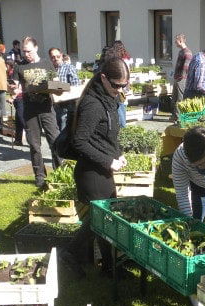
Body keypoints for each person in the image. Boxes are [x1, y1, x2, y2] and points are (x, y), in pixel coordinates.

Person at [59, 56, 130, 278]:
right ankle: (69, 254)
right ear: (103, 78)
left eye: (124, 85)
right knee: (100, 220)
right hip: (92, 174)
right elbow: (79, 142)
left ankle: (109, 267)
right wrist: (109, 160)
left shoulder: (108, 99)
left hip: (101, 170)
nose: (119, 89)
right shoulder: (93, 104)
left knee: (103, 221)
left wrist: (117, 154)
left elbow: (105, 136)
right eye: (116, 84)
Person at [13, 36, 62, 188]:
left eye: (28, 51)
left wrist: (54, 89)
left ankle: (60, 173)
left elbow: (57, 85)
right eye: (23, 51)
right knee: (34, 145)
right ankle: (40, 177)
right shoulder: (19, 66)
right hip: (29, 110)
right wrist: (13, 89)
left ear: (36, 48)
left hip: (47, 108)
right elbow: (15, 86)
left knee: (55, 140)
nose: (25, 54)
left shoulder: (47, 64)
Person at [48, 47, 80, 131]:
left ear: (61, 56)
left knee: (63, 130)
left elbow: (76, 85)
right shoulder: (49, 70)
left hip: (66, 104)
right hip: (53, 104)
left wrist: (58, 86)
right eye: (53, 57)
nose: (55, 59)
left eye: (57, 56)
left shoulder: (69, 67)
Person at [171, 33, 192, 122]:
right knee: (174, 98)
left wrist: (180, 78)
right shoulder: (181, 52)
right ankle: (175, 116)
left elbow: (186, 68)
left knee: (180, 99)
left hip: (182, 79)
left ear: (180, 41)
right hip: (177, 78)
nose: (175, 42)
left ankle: (179, 117)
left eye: (176, 40)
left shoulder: (187, 53)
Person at [112, 40, 131, 128]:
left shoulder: (119, 60)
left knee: (120, 105)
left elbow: (126, 74)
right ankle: (122, 125)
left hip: (118, 85)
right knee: (122, 104)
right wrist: (127, 86)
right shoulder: (125, 60)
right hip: (123, 85)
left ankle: (122, 126)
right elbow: (128, 74)